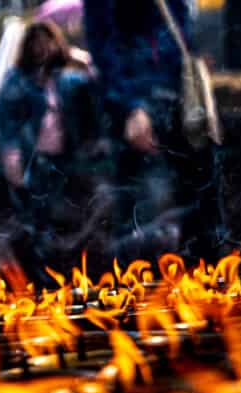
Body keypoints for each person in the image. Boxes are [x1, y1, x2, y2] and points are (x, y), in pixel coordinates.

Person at [83, 0, 217, 260]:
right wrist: (131, 107)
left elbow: (179, 32)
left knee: (192, 205)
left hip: (175, 102)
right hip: (139, 104)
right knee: (143, 210)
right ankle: (143, 284)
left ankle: (196, 275)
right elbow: (104, 45)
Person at [0, 20, 103, 273]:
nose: (43, 47)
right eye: (37, 42)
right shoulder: (17, 80)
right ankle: (39, 277)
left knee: (68, 222)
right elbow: (7, 120)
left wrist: (84, 60)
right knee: (36, 222)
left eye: (47, 41)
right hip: (35, 161)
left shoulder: (65, 80)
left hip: (64, 161)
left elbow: (97, 87)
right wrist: (11, 156)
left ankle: (63, 275)